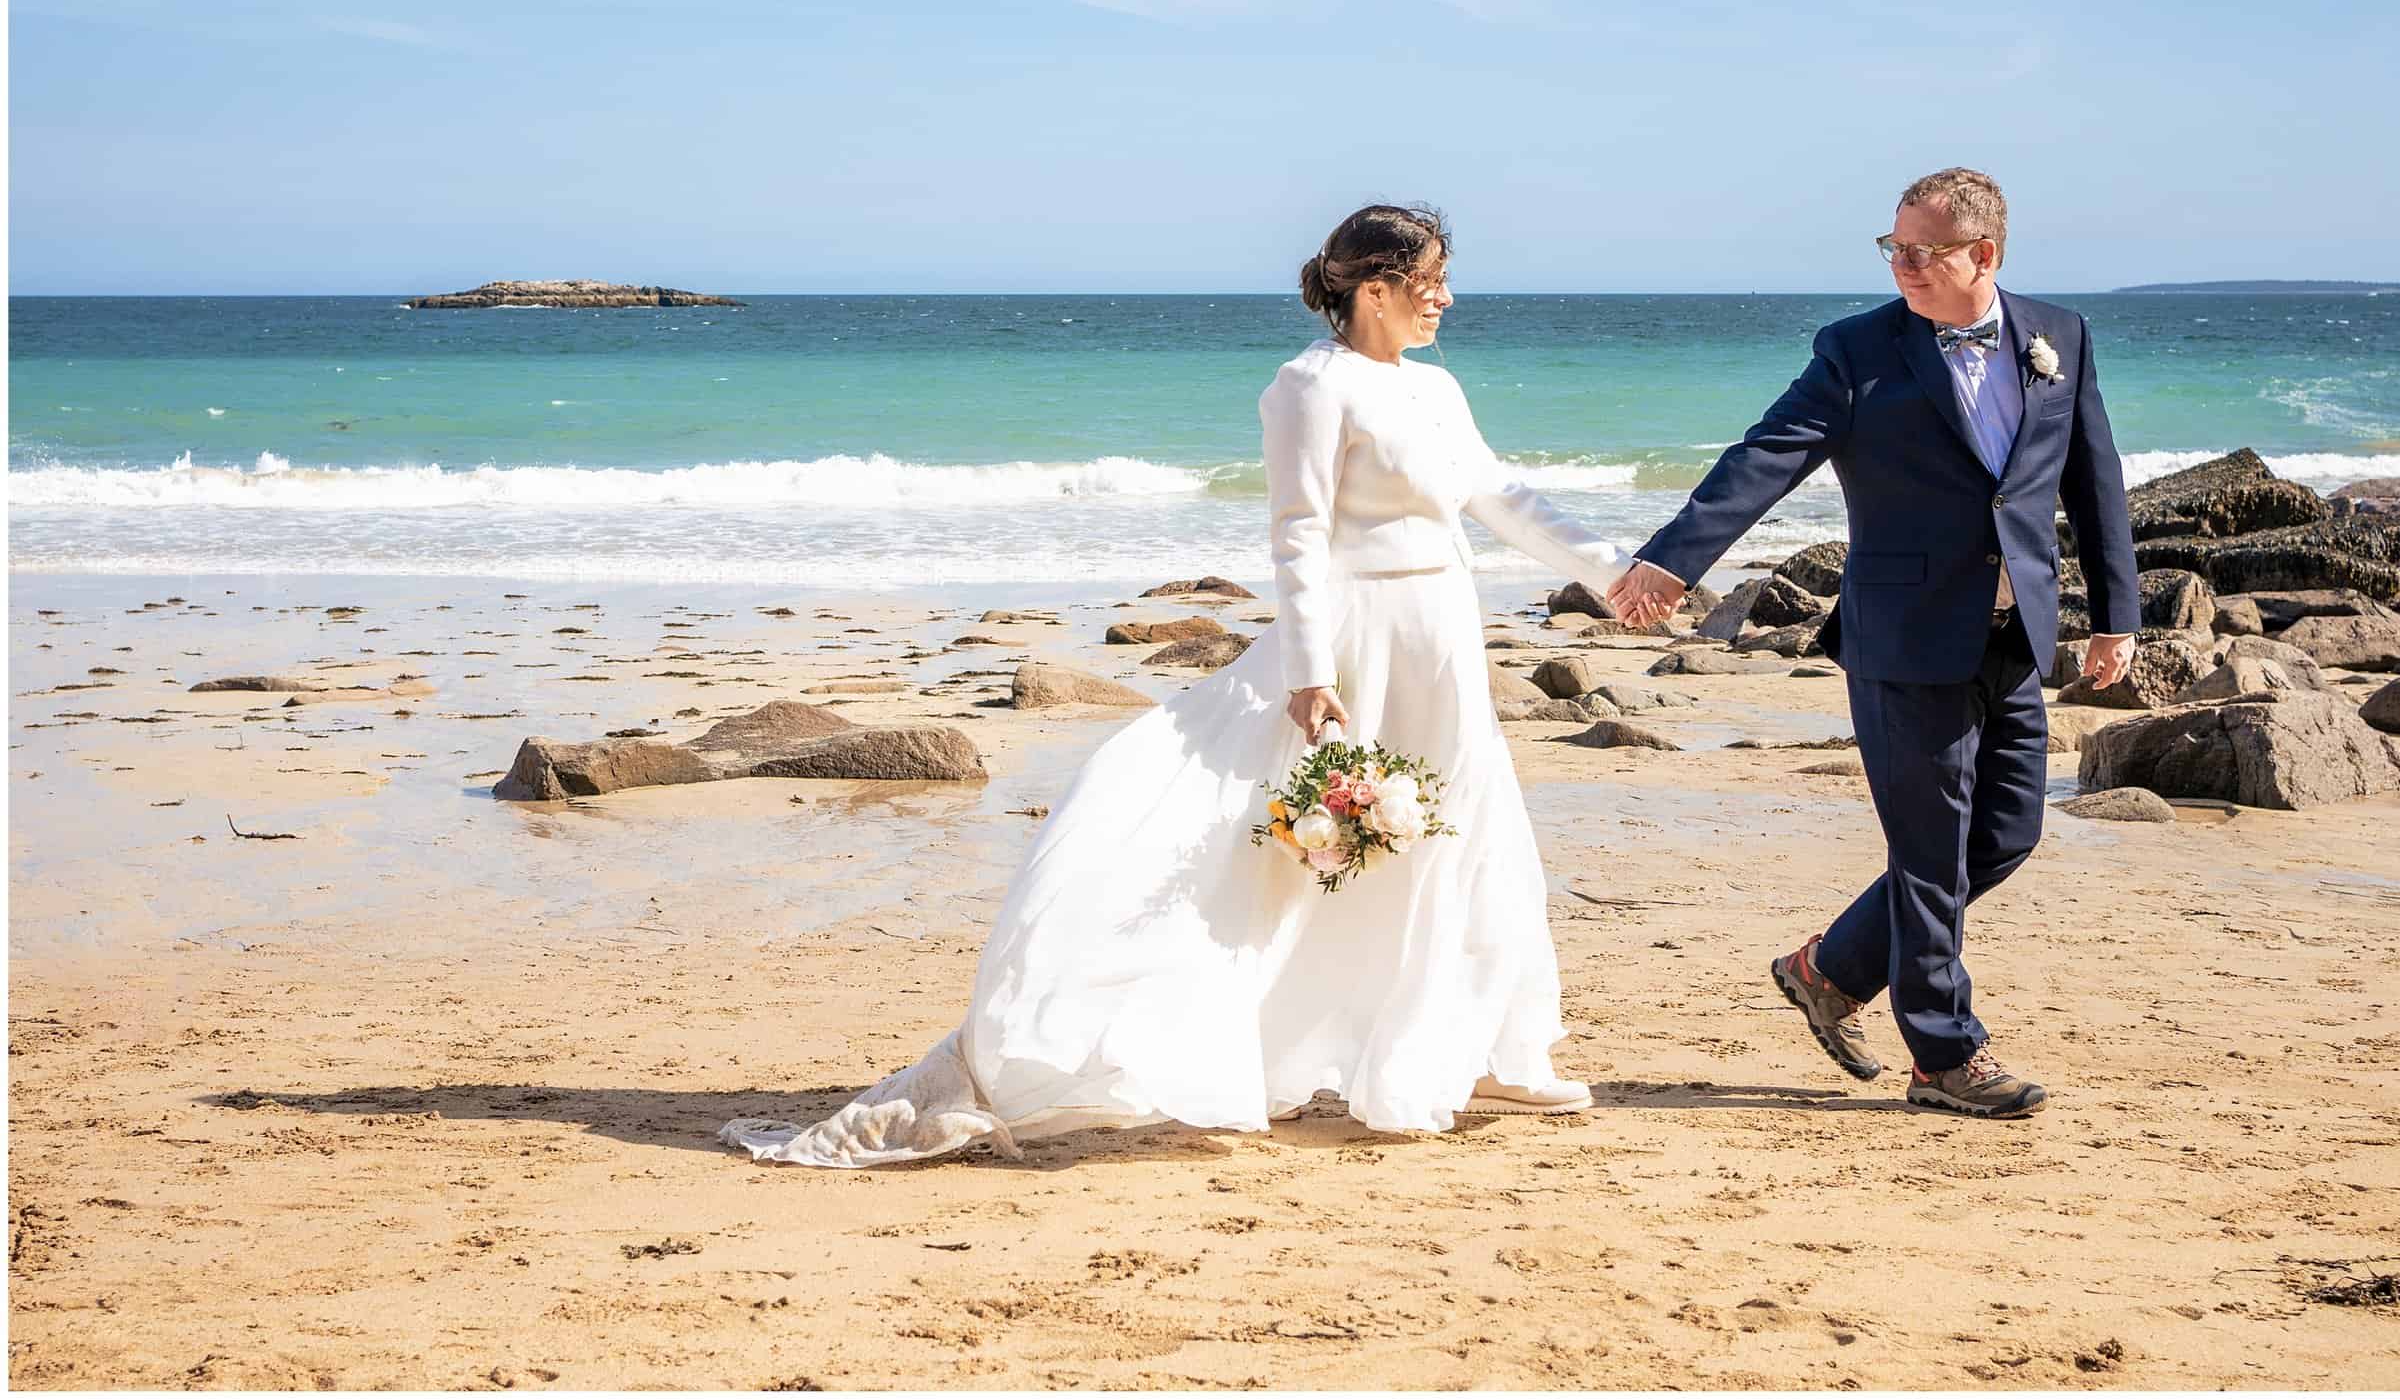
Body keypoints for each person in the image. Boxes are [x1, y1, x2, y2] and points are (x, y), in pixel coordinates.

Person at [723, 204, 1635, 1166]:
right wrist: (1311, 672)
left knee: (1470, 829)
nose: (1444, 297)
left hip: (1444, 631)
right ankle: (1384, 1058)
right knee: (1317, 848)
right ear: (1374, 287)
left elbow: (1501, 496)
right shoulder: (1310, 387)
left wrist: (1621, 573)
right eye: (1429, 281)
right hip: (1358, 641)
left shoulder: (1439, 389)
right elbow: (1298, 533)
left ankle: (1492, 1049)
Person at [1610, 168, 2139, 1119]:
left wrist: (2117, 613)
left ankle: (1832, 966)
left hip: (2014, 631)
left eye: (1921, 252)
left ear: (1986, 254)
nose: (1901, 265)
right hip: (1902, 635)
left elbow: (2091, 476)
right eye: (1891, 247)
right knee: (1930, 852)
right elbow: (1765, 453)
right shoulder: (1855, 350)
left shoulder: (2060, 335)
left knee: (2008, 831)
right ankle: (1944, 1055)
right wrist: (1674, 560)